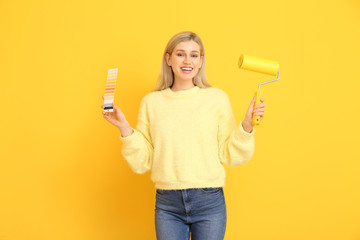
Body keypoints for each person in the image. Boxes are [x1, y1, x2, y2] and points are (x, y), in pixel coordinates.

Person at [101, 31, 265, 240]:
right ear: (168, 59)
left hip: (209, 203)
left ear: (201, 61)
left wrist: (247, 125)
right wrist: (124, 126)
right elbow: (144, 160)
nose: (188, 61)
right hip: (168, 205)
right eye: (180, 54)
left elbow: (229, 154)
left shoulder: (216, 99)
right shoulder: (152, 102)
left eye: (194, 55)